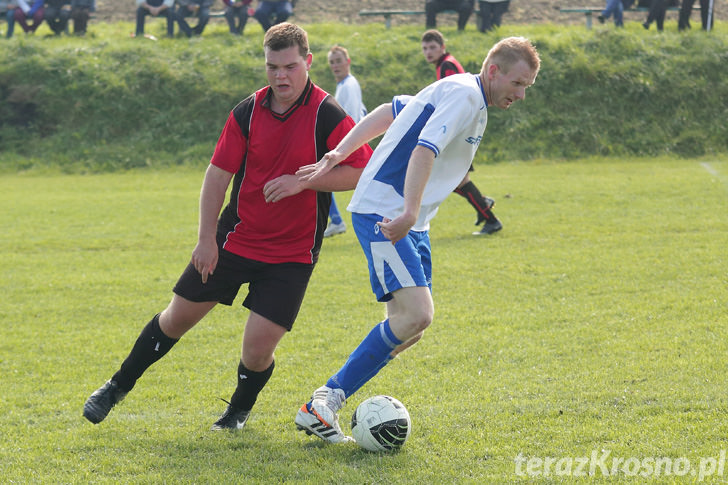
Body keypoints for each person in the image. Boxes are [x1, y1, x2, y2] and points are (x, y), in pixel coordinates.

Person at [82, 23, 372, 431]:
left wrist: (303, 181)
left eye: (290, 66)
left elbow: (361, 171)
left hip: (291, 255)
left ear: (307, 62)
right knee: (175, 319)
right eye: (272, 66)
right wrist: (205, 240)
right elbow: (217, 176)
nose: (280, 76)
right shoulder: (247, 111)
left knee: (256, 351)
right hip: (234, 241)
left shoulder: (328, 114)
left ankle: (236, 414)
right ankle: (115, 387)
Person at [294, 36, 540, 443]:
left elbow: (390, 112)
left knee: (412, 326)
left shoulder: (464, 94)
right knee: (415, 316)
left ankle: (326, 401)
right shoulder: (464, 96)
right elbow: (423, 150)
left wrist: (339, 152)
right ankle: (323, 402)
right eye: (518, 83)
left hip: (412, 218)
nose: (522, 94)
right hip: (386, 211)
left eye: (527, 86)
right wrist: (407, 210)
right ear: (494, 71)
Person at [421, 29, 502, 235]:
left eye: (432, 47)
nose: (428, 52)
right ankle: (483, 205)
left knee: (453, 178)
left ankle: (487, 214)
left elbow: (454, 98)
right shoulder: (446, 63)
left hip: (459, 127)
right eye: (425, 48)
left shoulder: (447, 65)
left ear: (442, 47)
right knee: (454, 178)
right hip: (463, 125)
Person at [324, 45, 368, 238]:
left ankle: (337, 221)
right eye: (332, 62)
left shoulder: (349, 86)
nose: (335, 65)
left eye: (339, 61)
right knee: (317, 176)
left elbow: (349, 119)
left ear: (347, 62)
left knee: (316, 176)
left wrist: (342, 148)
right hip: (350, 144)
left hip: (350, 146)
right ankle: (336, 220)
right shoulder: (345, 85)